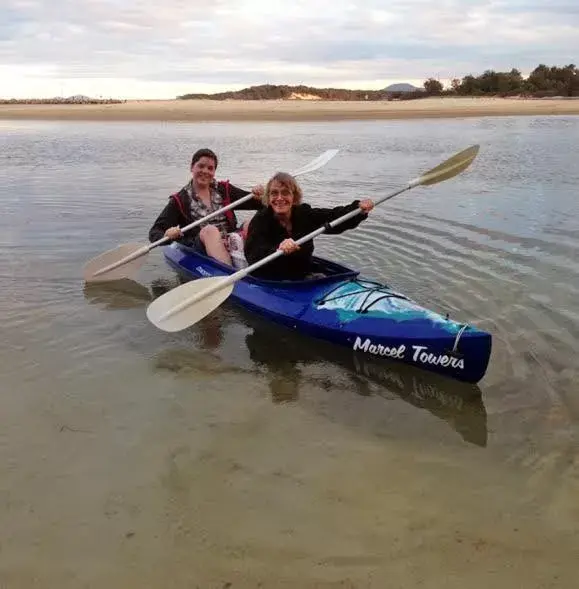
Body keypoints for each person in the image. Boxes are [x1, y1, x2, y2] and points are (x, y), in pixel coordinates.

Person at [244, 171, 374, 281]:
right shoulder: (261, 219)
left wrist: (358, 209)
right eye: (274, 193)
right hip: (270, 278)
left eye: (285, 193)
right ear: (268, 197)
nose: (279, 198)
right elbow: (253, 256)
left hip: (301, 275)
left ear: (294, 197)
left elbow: (334, 217)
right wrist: (278, 249)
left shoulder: (304, 213)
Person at [148, 148, 264, 266]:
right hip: (201, 247)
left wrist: (260, 195)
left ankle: (260, 267)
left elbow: (258, 204)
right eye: (201, 166)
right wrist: (167, 234)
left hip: (231, 240)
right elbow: (154, 233)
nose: (205, 171)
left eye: (210, 168)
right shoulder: (179, 200)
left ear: (214, 172)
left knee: (251, 222)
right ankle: (229, 273)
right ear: (192, 167)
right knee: (210, 230)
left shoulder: (224, 190)